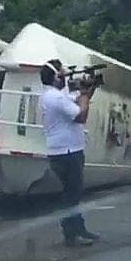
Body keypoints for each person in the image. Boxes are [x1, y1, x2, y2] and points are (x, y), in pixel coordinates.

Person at [40, 58, 99, 248]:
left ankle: (77, 229)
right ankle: (71, 233)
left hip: (65, 150)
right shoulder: (55, 98)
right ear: (56, 77)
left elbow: (80, 102)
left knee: (72, 192)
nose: (65, 77)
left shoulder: (53, 95)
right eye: (62, 74)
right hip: (67, 151)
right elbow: (81, 115)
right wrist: (83, 93)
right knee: (71, 194)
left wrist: (88, 90)